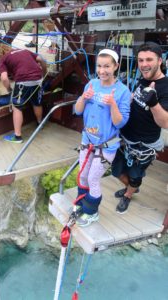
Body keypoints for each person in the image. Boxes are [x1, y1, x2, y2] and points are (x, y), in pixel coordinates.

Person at [74, 49, 131, 227]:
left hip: (106, 146)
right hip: (87, 141)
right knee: (83, 175)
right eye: (99, 66)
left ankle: (92, 212)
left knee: (92, 179)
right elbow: (77, 110)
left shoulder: (122, 91)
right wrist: (84, 97)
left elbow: (120, 123)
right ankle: (81, 205)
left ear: (115, 66)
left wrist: (112, 104)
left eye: (107, 66)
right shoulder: (91, 84)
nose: (102, 70)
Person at [112, 42, 168, 214]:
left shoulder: (165, 87)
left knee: (135, 176)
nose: (144, 64)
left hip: (144, 144)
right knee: (116, 170)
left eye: (149, 59)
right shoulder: (144, 79)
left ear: (160, 60)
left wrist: (153, 102)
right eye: (141, 60)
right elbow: (135, 99)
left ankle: (128, 194)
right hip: (126, 137)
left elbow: (165, 122)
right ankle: (132, 188)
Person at [0, 44, 47, 143]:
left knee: (17, 106)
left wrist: (9, 89)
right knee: (36, 102)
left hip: (23, 81)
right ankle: (39, 124)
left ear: (1, 53)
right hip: (38, 79)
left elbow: (4, 78)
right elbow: (41, 59)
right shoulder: (24, 51)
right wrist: (43, 73)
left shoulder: (3, 58)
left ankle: (17, 137)